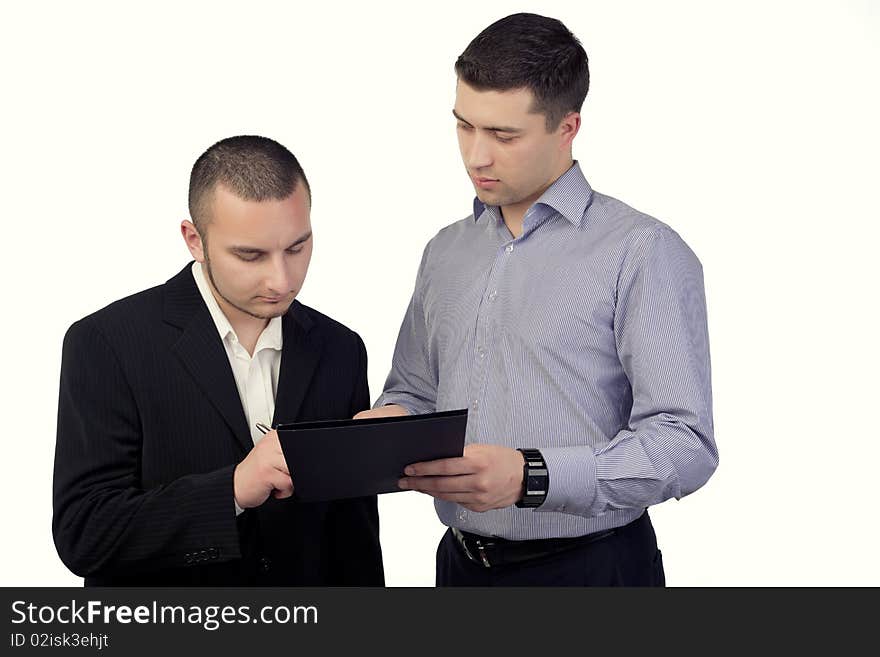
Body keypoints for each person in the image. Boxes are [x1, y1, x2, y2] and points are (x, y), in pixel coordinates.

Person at [356, 13, 718, 586]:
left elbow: (684, 443)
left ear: (567, 126)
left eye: (503, 136)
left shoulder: (643, 251)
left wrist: (533, 476)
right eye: (464, 126)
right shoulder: (444, 251)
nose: (476, 156)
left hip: (591, 573)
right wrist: (383, 429)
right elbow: (415, 389)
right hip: (458, 566)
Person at [53, 135, 384, 586]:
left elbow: (354, 544)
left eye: (296, 247)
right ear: (195, 240)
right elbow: (85, 533)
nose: (282, 279)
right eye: (251, 255)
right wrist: (231, 490)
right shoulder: (106, 342)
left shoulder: (341, 349)